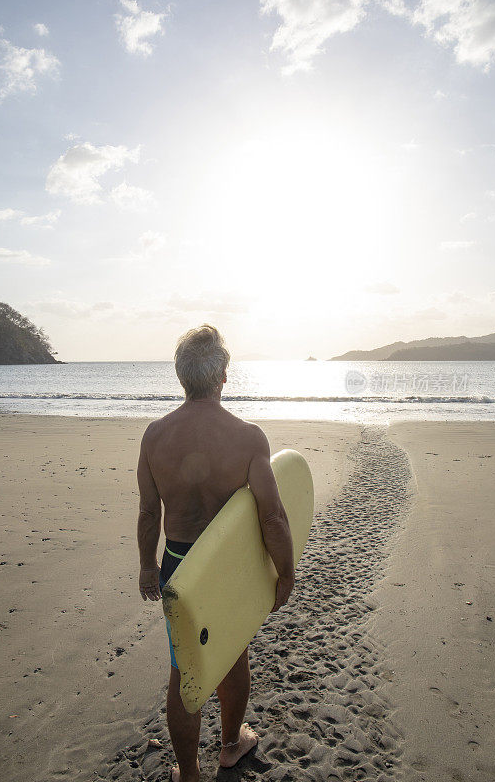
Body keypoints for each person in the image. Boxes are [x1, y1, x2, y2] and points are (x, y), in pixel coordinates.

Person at [137, 324, 295, 782]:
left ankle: (189, 773)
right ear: (223, 376)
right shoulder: (247, 438)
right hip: (226, 568)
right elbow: (273, 518)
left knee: (184, 667)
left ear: (181, 377)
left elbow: (149, 513)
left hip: (181, 568)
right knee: (232, 653)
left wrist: (148, 567)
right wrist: (284, 573)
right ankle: (230, 746)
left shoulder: (155, 436)